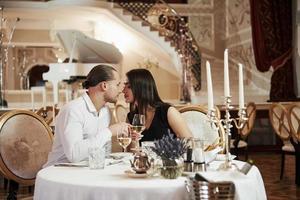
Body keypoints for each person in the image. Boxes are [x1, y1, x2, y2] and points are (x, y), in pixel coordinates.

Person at [44, 64, 129, 167]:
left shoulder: (105, 111)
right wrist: (109, 131)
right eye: (117, 84)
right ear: (104, 86)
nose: (120, 90)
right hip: (60, 172)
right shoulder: (73, 110)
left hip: (88, 170)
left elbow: (104, 152)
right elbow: (74, 155)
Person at [122, 68, 192, 143]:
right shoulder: (131, 117)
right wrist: (133, 141)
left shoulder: (167, 112)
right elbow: (127, 151)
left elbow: (189, 142)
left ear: (141, 88)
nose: (123, 91)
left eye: (129, 86)